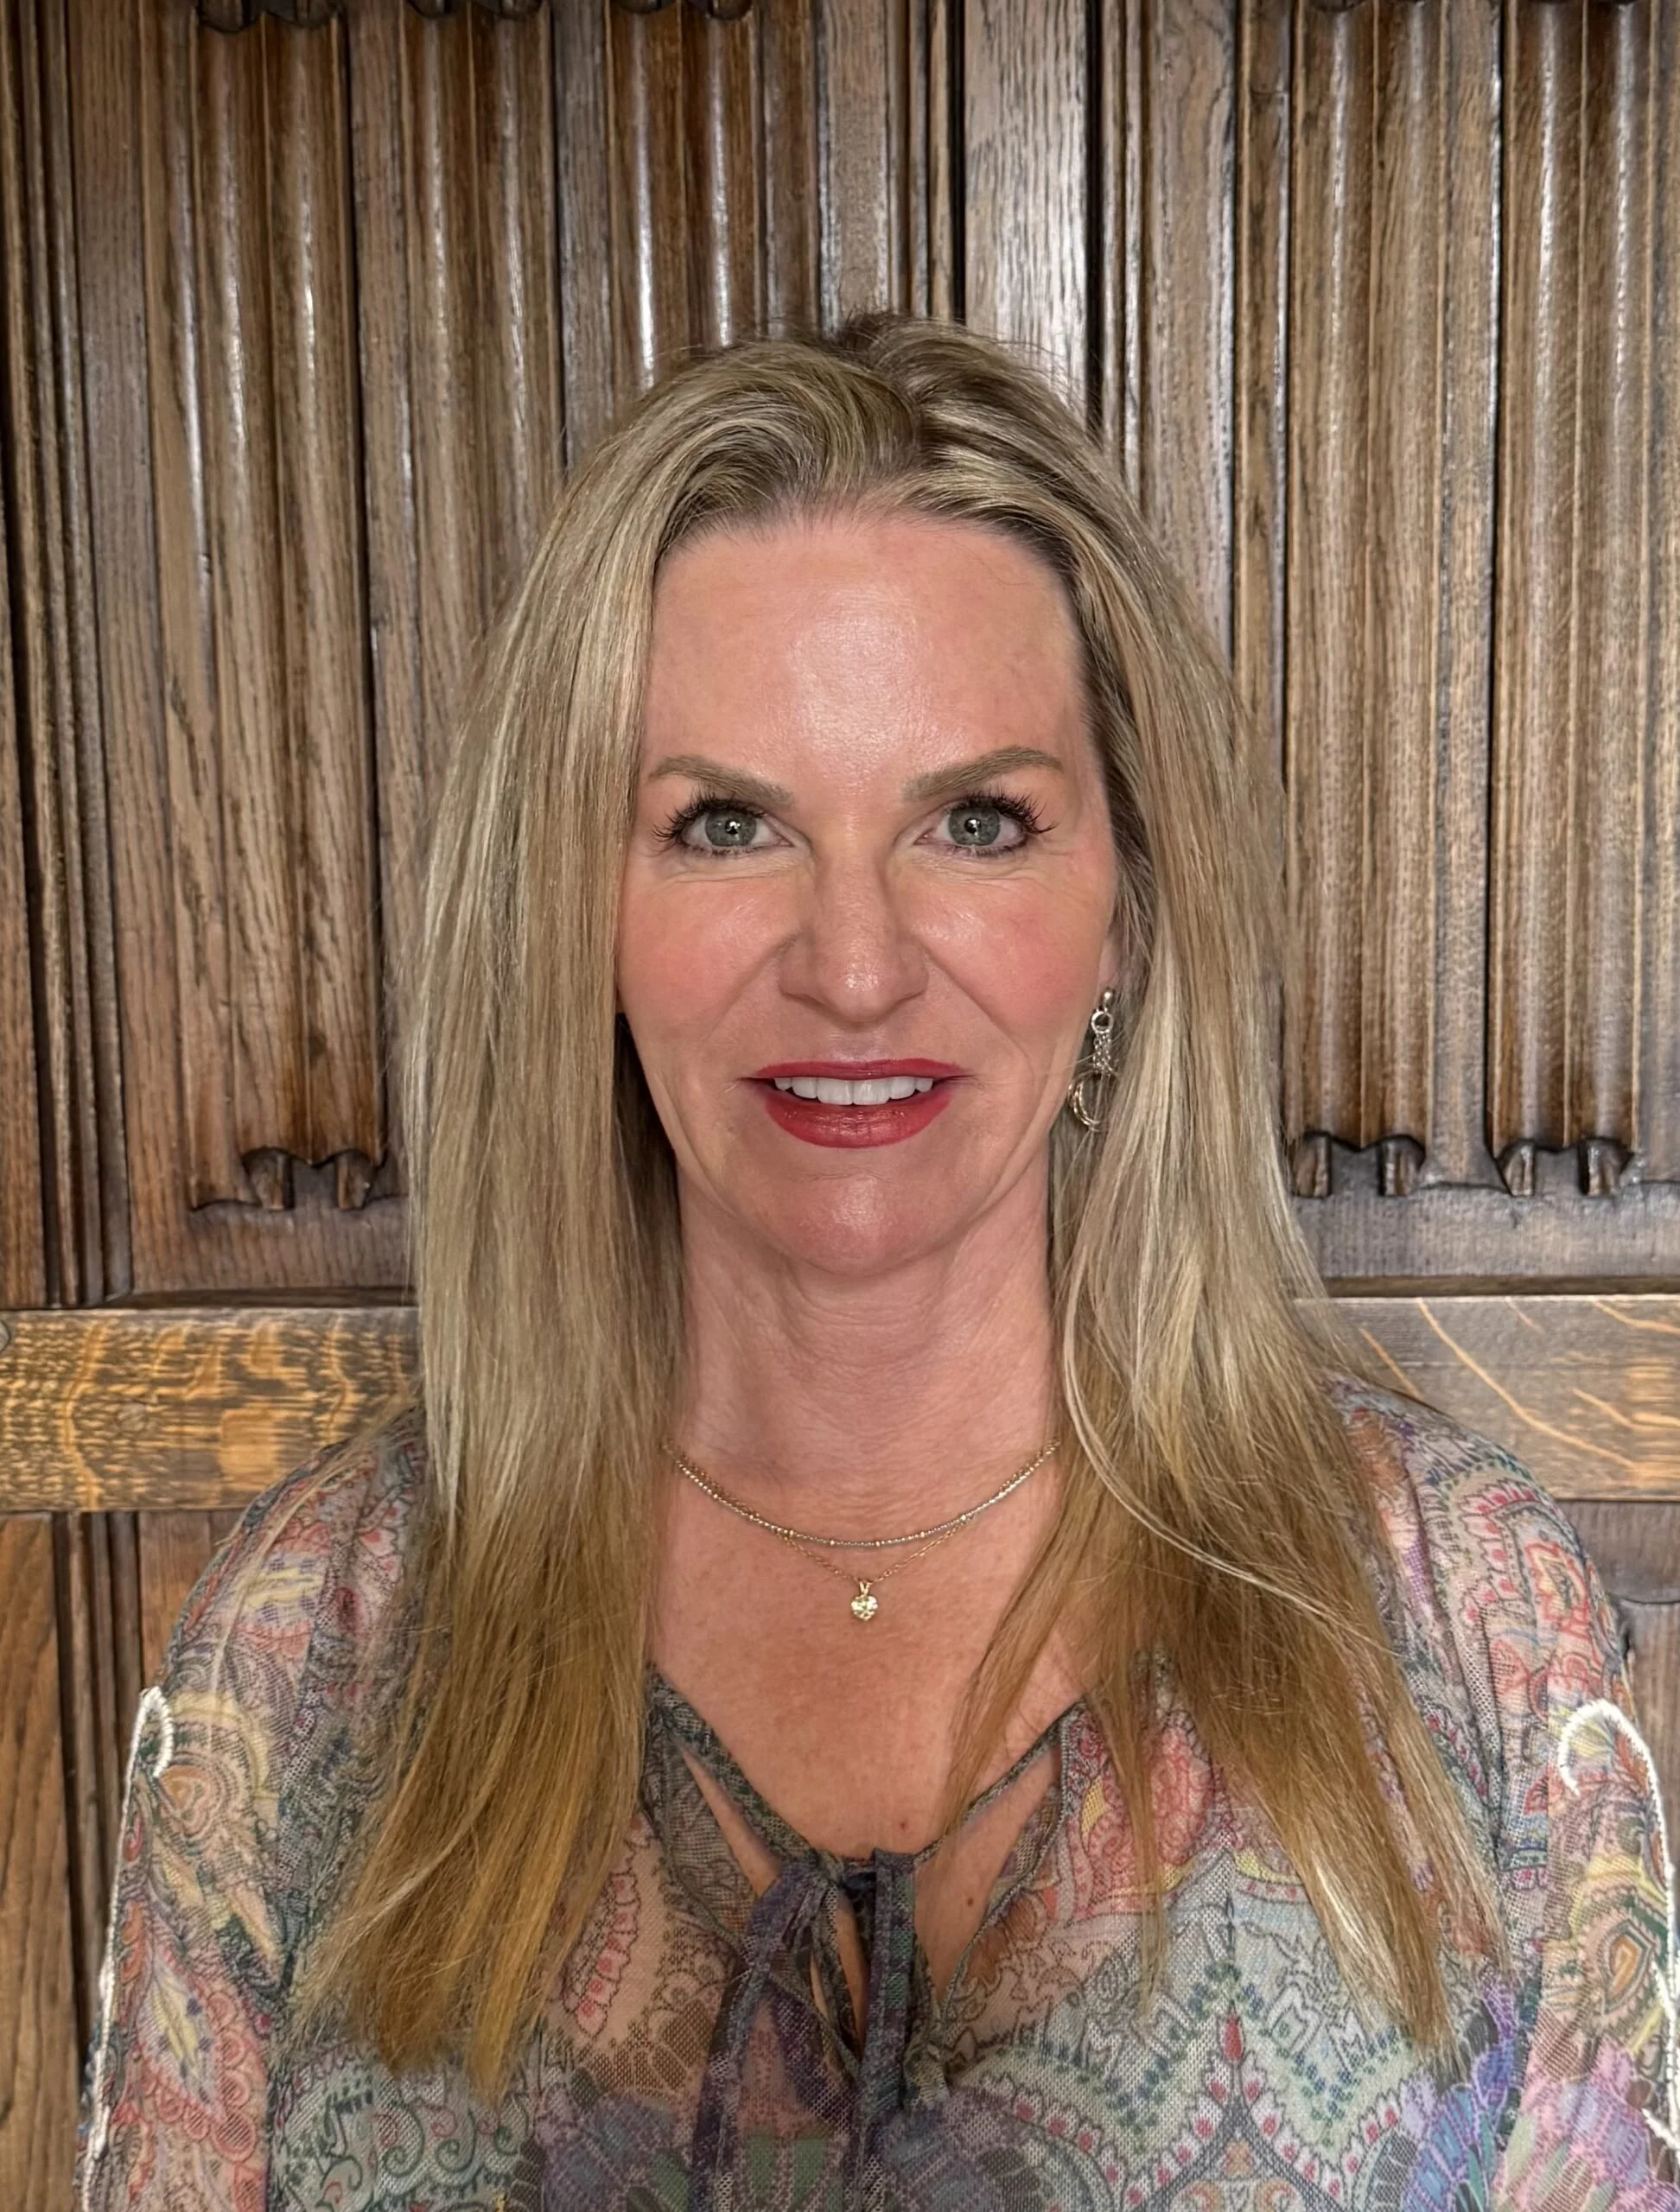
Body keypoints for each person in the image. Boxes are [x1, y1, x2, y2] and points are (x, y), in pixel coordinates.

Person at [76, 315, 1679, 2210]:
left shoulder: (1467, 1626)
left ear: (1129, 912)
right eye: (726, 823)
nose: (852, 963)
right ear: (579, 913)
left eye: (975, 820)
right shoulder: (311, 1660)